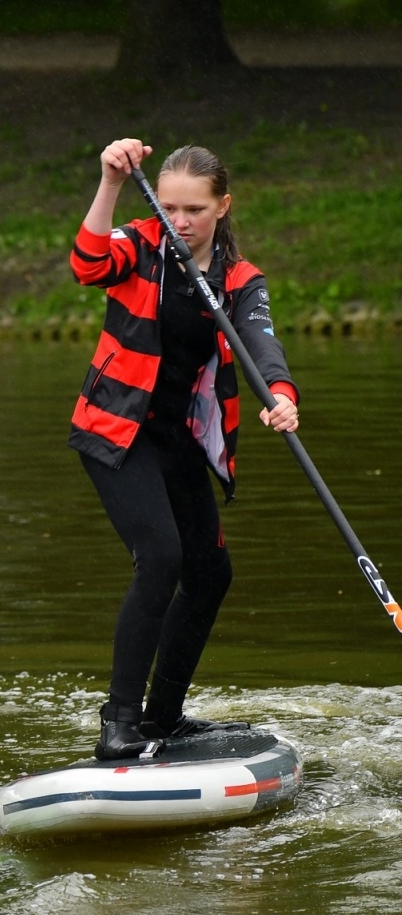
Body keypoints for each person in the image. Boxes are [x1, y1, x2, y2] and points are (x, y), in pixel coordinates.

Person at [70, 140, 299, 760]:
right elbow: (87, 264)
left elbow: (260, 342)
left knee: (210, 573)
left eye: (194, 208)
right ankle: (117, 723)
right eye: (169, 206)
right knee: (162, 557)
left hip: (177, 440)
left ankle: (162, 716)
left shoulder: (240, 280)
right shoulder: (139, 245)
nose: (180, 220)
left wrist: (279, 392)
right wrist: (110, 181)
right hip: (115, 433)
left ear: (223, 206)